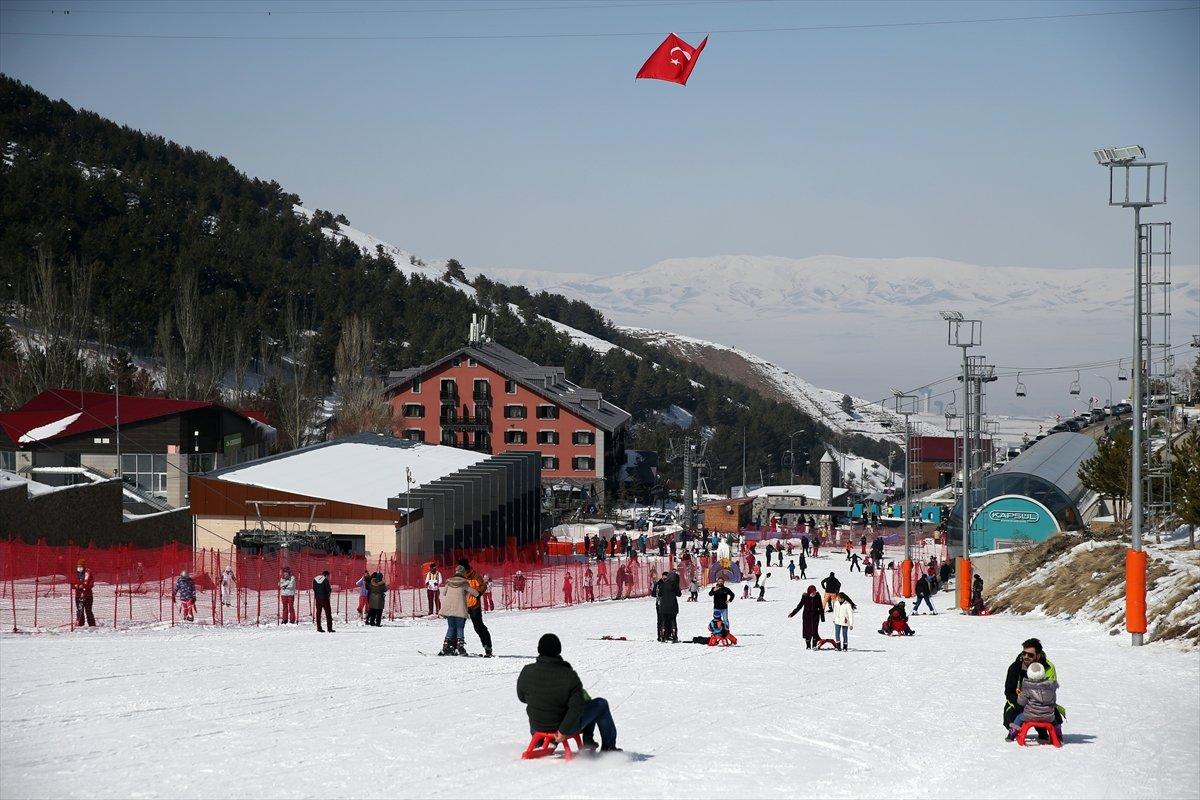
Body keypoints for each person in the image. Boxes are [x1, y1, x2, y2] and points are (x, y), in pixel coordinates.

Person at [516, 633, 620, 752]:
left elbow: (522, 697)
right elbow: (577, 707)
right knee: (601, 704)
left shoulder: (527, 671)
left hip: (537, 726)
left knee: (540, 701)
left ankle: (540, 741)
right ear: (559, 650)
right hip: (561, 728)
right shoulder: (568, 675)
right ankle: (609, 747)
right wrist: (563, 730)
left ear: (539, 649)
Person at [1003, 638, 1063, 734]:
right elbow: (1009, 691)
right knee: (1010, 721)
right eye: (1024, 653)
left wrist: (1040, 707)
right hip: (1020, 701)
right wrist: (1019, 705)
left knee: (1051, 719)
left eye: (1030, 655)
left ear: (1038, 656)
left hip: (1041, 703)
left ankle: (1048, 732)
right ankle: (1017, 730)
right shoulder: (1015, 667)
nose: (1026, 656)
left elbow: (1051, 691)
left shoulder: (1048, 667)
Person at [1007, 661, 1061, 742]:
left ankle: (1011, 735)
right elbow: (1053, 701)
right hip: (1048, 716)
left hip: (1030, 715)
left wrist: (1020, 696)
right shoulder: (1050, 687)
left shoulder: (1027, 688)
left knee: (1018, 718)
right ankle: (1058, 736)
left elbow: (1021, 702)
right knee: (1055, 721)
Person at [438, 565, 479, 656]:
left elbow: (444, 593)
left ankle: (446, 646)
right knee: (460, 627)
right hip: (460, 609)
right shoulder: (464, 583)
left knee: (451, 627)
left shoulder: (449, 582)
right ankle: (460, 647)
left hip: (449, 609)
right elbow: (475, 593)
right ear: (463, 573)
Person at [460, 559, 493, 657]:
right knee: (458, 627)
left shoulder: (475, 576)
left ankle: (487, 647)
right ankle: (455, 647)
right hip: (462, 606)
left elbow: (483, 586)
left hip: (474, 606)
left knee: (478, 626)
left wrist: (478, 594)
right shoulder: (459, 576)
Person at [788, 585, 825, 650]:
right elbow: (799, 606)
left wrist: (822, 617)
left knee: (814, 630)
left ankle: (814, 645)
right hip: (807, 616)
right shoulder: (805, 597)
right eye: (812, 592)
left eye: (814, 592)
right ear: (809, 592)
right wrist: (792, 613)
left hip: (815, 615)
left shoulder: (818, 596)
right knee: (807, 631)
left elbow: (821, 607)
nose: (813, 594)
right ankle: (808, 645)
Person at [657, 570, 681, 643]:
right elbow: (679, 594)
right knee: (673, 620)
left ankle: (663, 636)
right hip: (673, 605)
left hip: (663, 606)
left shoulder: (663, 585)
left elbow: (659, 594)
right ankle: (674, 636)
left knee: (663, 621)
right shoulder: (675, 585)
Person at [70, 559, 96, 627]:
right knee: (79, 610)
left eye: (81, 566)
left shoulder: (88, 573)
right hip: (78, 595)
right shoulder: (75, 574)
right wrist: (76, 586)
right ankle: (80, 624)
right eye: (78, 566)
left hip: (88, 595)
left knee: (88, 611)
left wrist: (84, 586)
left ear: (84, 566)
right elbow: (72, 583)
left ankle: (92, 625)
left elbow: (91, 584)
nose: (79, 568)